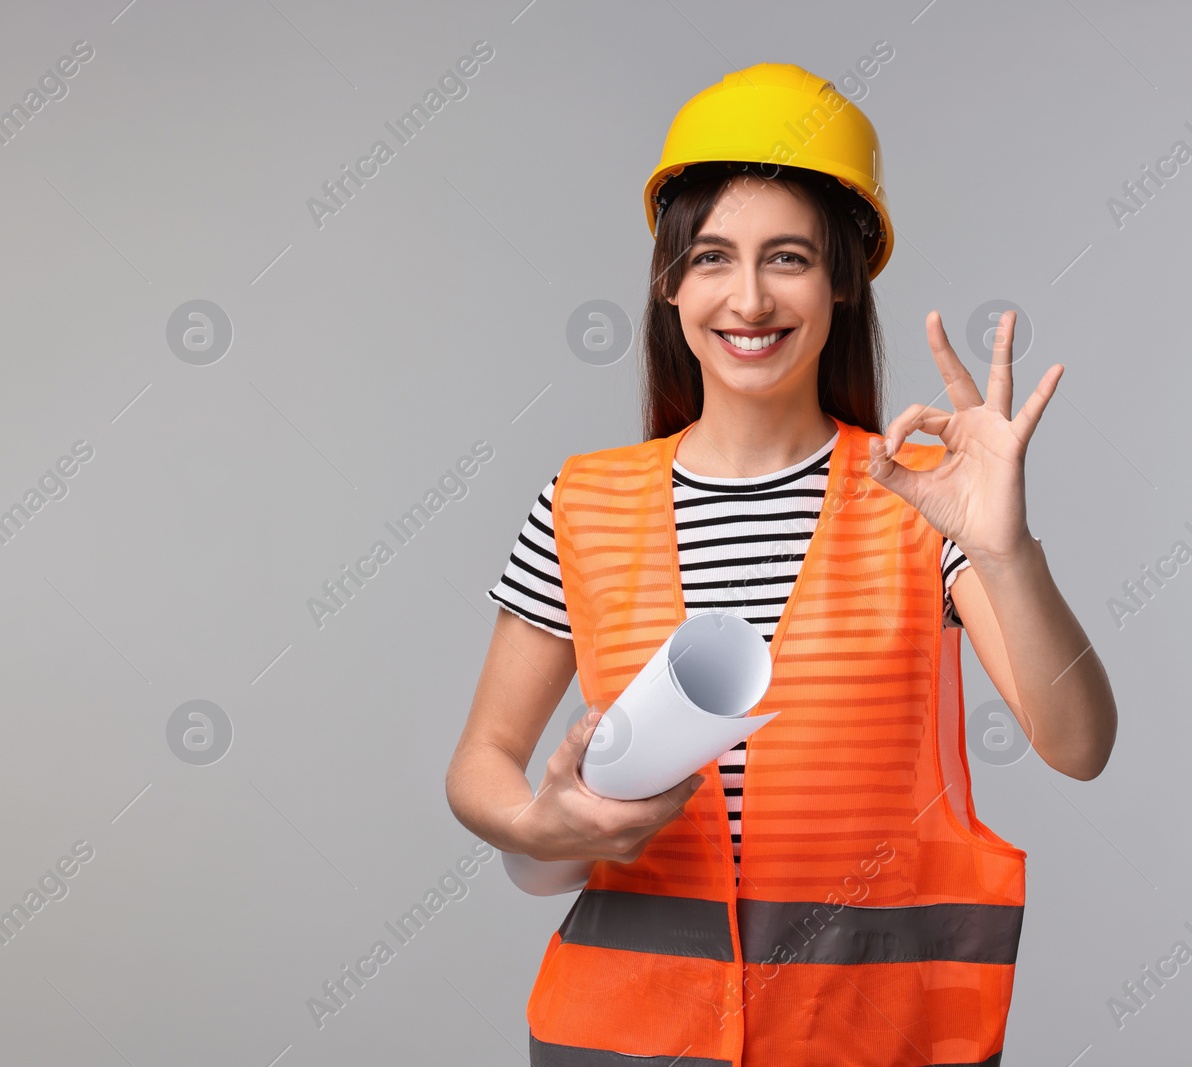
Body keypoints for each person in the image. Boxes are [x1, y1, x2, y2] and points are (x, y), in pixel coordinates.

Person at [445, 62, 1117, 1067]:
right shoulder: (580, 502)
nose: (748, 296)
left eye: (788, 258)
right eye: (712, 257)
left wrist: (1002, 548)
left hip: (865, 1041)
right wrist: (544, 823)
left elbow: (1078, 742)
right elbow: (478, 765)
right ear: (670, 282)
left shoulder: (918, 498)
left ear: (841, 279)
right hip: (617, 1036)